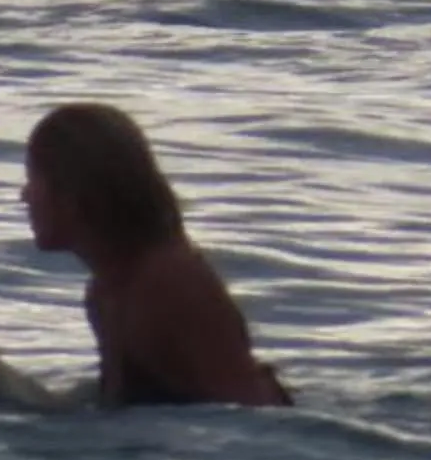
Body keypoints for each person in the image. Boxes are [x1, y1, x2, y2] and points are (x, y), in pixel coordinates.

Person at [21, 103, 291, 409]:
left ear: (71, 192)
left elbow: (249, 412)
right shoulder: (106, 292)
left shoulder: (168, 285)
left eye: (33, 179)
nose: (24, 196)